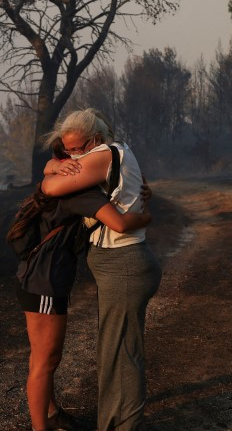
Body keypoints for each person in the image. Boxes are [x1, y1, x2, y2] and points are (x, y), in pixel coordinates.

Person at [10, 139, 152, 431]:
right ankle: (41, 427)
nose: (82, 158)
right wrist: (146, 216)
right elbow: (121, 224)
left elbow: (51, 177)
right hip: (44, 281)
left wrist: (54, 165)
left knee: (43, 357)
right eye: (76, 154)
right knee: (46, 360)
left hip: (36, 276)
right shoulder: (80, 193)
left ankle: (50, 414)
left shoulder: (64, 180)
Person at [41, 109, 162, 431]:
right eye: (66, 149)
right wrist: (54, 164)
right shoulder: (119, 152)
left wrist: (52, 169)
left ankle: (123, 426)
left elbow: (50, 189)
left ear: (94, 139)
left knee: (121, 355)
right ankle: (113, 423)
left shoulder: (103, 154)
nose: (72, 156)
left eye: (76, 149)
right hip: (124, 263)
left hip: (124, 264)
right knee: (115, 352)